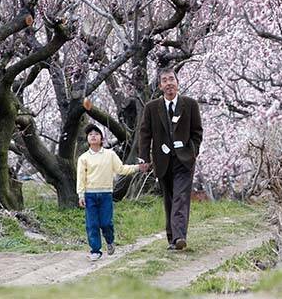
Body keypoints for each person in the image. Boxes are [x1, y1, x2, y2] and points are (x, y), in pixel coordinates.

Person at [138, 67, 203, 250]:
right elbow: (145, 134)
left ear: (177, 82)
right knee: (169, 199)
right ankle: (172, 238)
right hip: (162, 160)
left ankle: (180, 237)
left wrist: (193, 151)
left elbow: (197, 132)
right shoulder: (151, 108)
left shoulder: (190, 105)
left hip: (184, 160)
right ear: (160, 86)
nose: (169, 84)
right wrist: (144, 157)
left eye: (171, 79)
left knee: (181, 197)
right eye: (164, 80)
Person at [77, 124, 148, 261]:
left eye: (96, 134)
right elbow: (81, 178)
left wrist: (138, 168)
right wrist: (81, 195)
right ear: (87, 139)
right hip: (89, 195)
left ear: (102, 138)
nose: (93, 136)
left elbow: (121, 169)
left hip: (106, 194)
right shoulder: (83, 158)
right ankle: (95, 250)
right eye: (90, 134)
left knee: (106, 223)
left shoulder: (110, 155)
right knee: (92, 224)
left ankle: (110, 240)